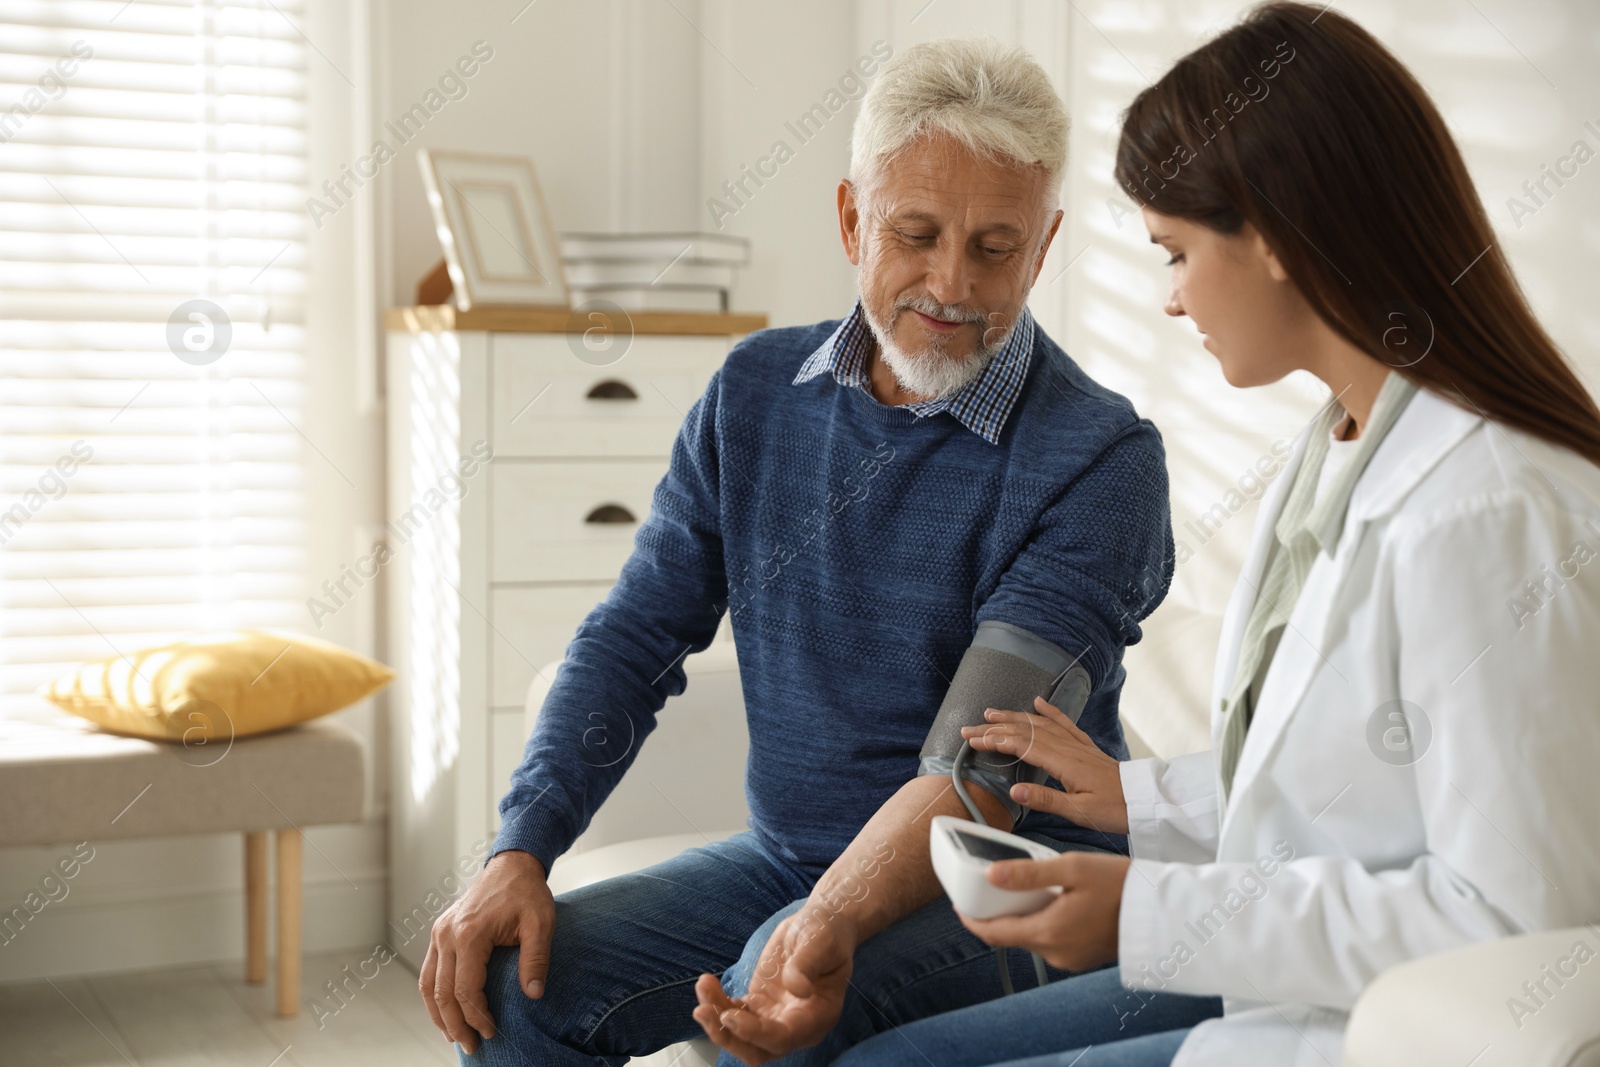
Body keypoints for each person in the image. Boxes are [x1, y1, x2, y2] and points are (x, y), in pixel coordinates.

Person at [833, 3, 1600, 1065]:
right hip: (1289, 984)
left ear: (1276, 240)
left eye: (1175, 252)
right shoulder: (1336, 442)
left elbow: (1510, 922)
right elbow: (1349, 784)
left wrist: (1143, 913)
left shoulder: (1489, 511)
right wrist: (1139, 796)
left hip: (1379, 1033)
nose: (1169, 298)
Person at [420, 37, 1196, 1066]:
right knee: (514, 994)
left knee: (767, 997)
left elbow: (976, 766)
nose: (951, 282)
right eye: (914, 234)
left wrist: (820, 918)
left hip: (1008, 875)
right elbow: (633, 639)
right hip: (785, 854)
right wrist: (520, 846)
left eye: (995, 247)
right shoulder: (751, 396)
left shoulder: (1099, 459)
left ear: (1042, 247)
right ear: (849, 219)